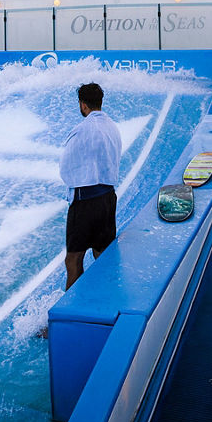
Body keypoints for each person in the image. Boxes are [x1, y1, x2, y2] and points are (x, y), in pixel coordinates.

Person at [58, 82, 122, 290]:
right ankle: (108, 296)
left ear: (83, 104)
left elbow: (66, 167)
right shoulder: (112, 126)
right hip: (108, 198)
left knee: (73, 259)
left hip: (85, 201)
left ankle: (73, 306)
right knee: (102, 253)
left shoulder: (81, 129)